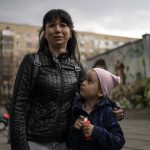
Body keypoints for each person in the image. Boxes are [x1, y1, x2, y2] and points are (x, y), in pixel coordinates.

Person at [10, 9, 124, 150]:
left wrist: (114, 107)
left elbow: (92, 94)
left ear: (70, 32)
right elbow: (18, 105)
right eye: (52, 25)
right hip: (34, 142)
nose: (57, 29)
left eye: (63, 25)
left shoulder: (76, 66)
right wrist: (21, 145)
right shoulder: (32, 61)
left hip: (65, 143)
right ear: (45, 33)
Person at [67, 68, 125, 150]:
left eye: (89, 81)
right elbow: (70, 144)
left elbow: (119, 141)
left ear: (101, 92)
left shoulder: (107, 112)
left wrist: (96, 132)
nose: (83, 83)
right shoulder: (76, 110)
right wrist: (75, 130)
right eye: (84, 79)